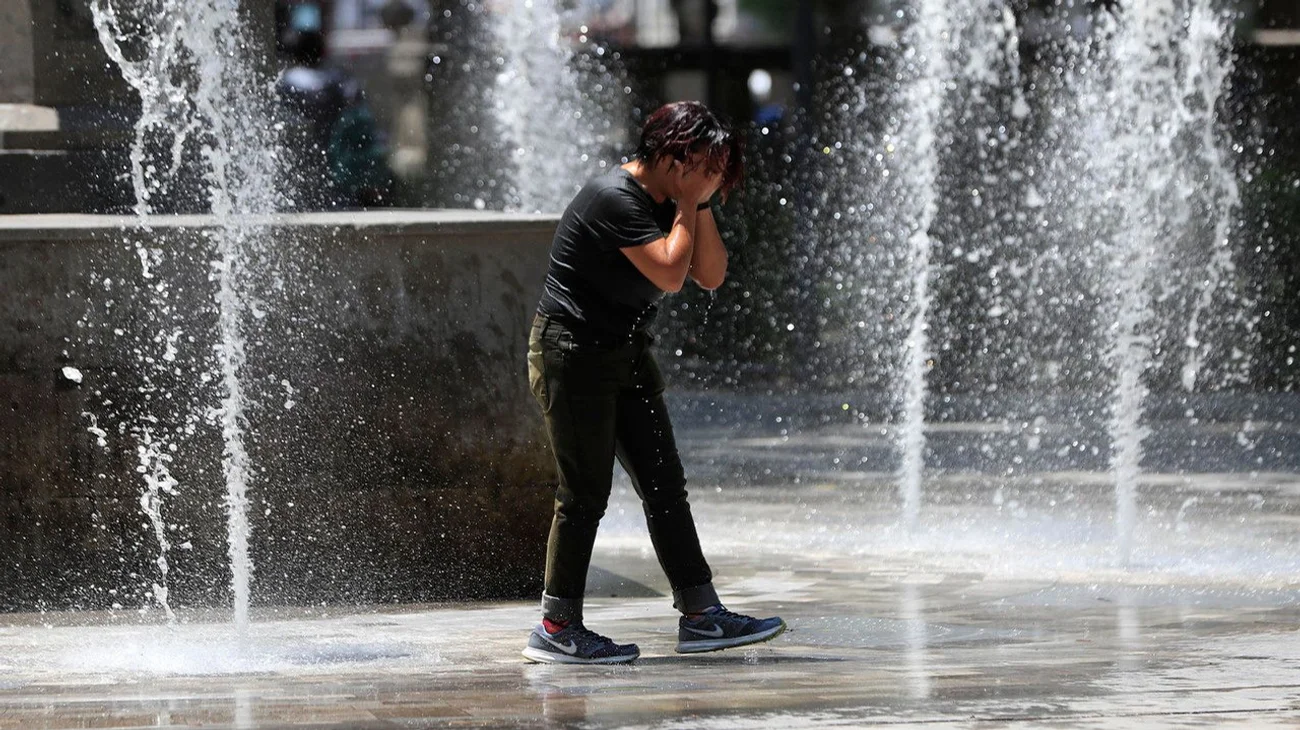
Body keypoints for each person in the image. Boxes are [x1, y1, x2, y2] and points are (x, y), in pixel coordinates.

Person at [522, 101, 786, 665]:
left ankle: (700, 614)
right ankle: (556, 624)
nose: (715, 178)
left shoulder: (678, 198)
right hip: (571, 355)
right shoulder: (612, 197)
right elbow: (669, 272)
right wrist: (691, 202)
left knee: (665, 486)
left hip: (625, 354)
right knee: (584, 495)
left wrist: (701, 200)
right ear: (674, 154)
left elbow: (709, 275)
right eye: (708, 166)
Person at [275, 2, 394, 210]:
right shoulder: (340, 82)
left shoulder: (286, 83)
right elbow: (361, 120)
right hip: (335, 165)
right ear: (321, 50)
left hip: (296, 165)